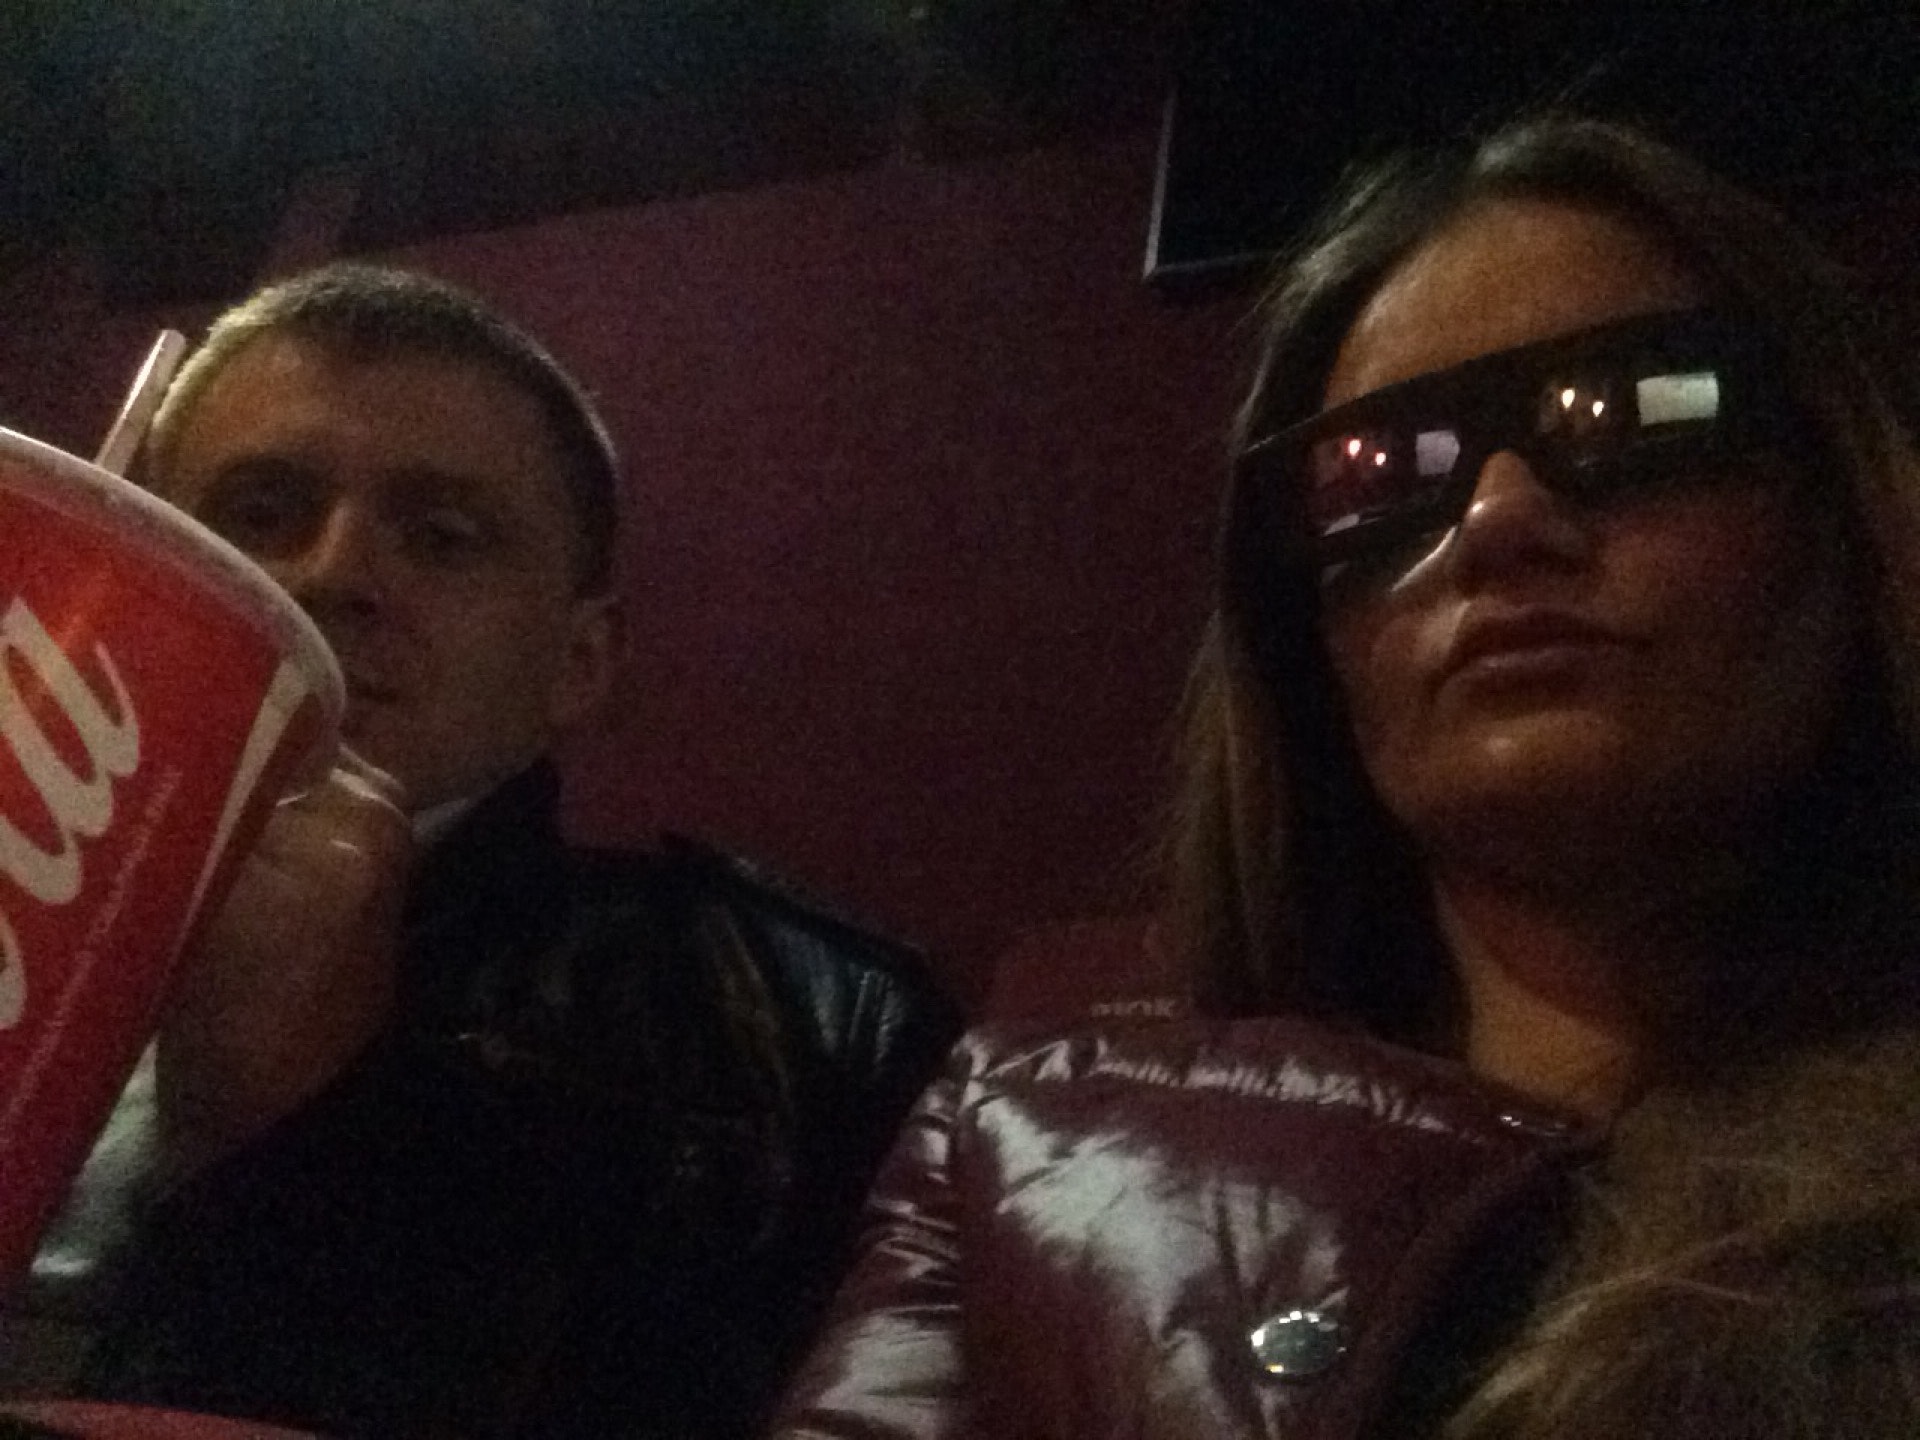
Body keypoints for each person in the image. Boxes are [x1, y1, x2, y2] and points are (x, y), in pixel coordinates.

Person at [768, 116, 1920, 1440]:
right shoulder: (1027, 1144)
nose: (1499, 518)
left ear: (1838, 503)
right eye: (1383, 473)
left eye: (1637, 410)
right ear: (1306, 636)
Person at [8, 263, 960, 1439]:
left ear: (579, 662)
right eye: (258, 513)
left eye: (444, 537)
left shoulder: (794, 1020)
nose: (334, 573)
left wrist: (306, 1129)